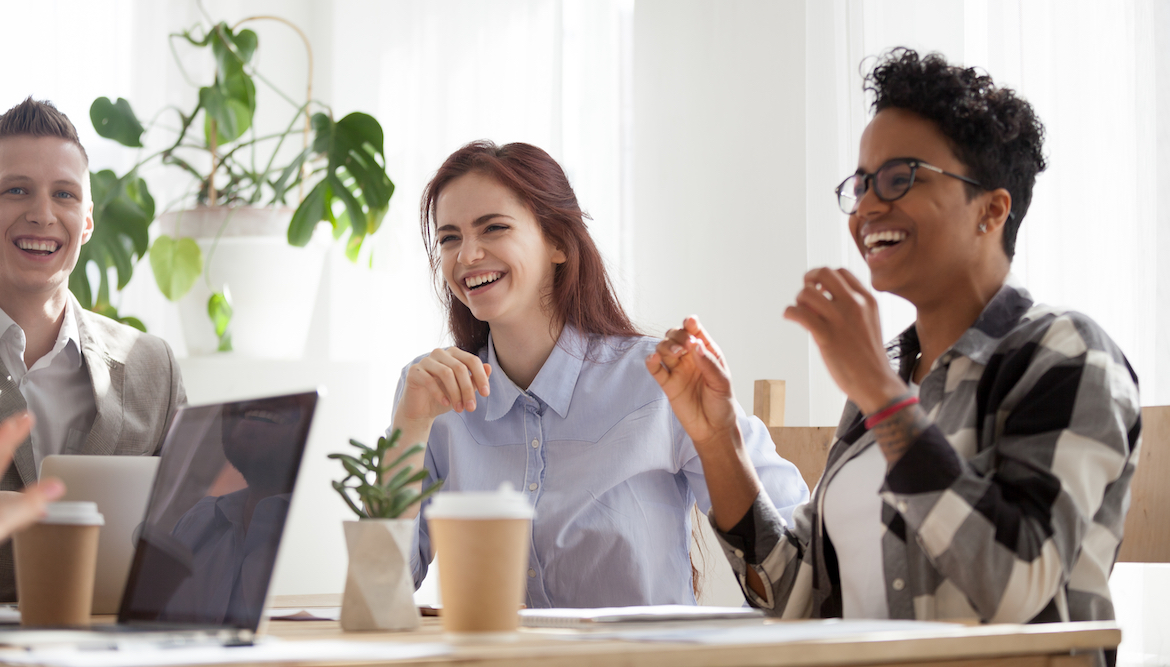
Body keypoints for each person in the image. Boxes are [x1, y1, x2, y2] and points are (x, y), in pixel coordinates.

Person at [647, 49, 1139, 667]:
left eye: (902, 177)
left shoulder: (1065, 354)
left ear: (992, 208)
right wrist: (716, 439)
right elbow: (799, 598)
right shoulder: (887, 375)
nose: (869, 206)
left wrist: (884, 398)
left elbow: (1020, 590)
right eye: (862, 184)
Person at [389, 140, 808, 608]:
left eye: (494, 228)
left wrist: (721, 435)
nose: (466, 256)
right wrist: (408, 432)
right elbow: (381, 590)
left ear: (559, 244)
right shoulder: (434, 398)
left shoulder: (662, 381)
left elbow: (796, 564)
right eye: (449, 238)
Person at [0, 97, 186, 600]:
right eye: (16, 190)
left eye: (64, 194)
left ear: (86, 220)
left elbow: (193, 536)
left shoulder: (153, 367)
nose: (42, 215)